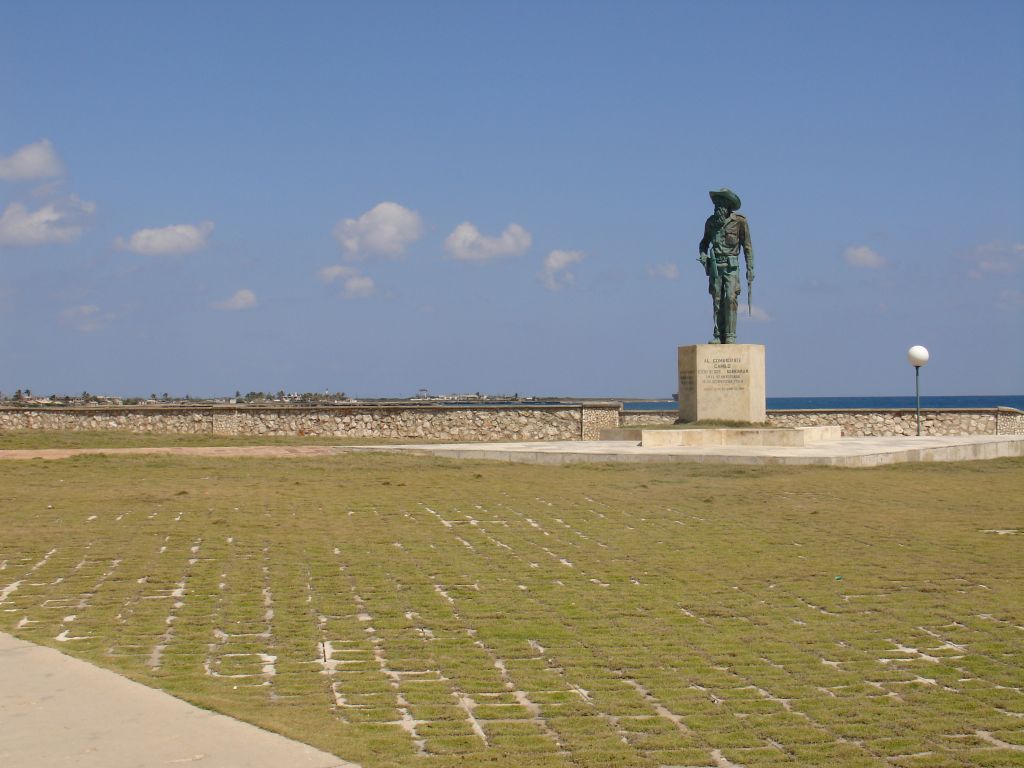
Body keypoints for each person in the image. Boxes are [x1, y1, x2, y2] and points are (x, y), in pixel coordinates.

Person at [697, 188, 754, 344]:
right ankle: (717, 333)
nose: (717, 207)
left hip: (731, 267)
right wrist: (703, 256)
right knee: (717, 300)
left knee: (730, 298)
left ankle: (730, 335)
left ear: (728, 205)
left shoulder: (740, 222)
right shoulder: (711, 223)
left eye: (721, 204)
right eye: (716, 204)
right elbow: (703, 243)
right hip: (716, 266)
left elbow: (747, 246)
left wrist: (750, 268)